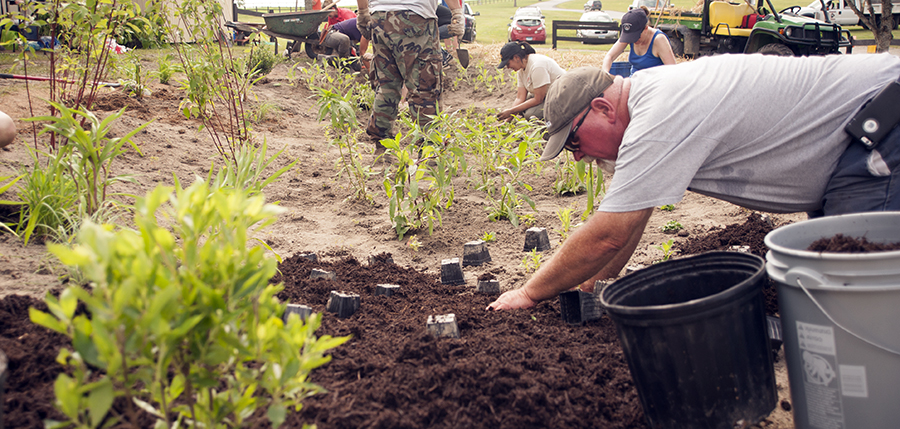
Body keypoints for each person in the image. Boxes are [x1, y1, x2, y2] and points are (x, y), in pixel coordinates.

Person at [488, 53, 900, 311]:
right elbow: (631, 219)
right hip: (854, 135)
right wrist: (592, 285)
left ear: (601, 108)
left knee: (857, 288)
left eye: (574, 139)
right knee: (834, 269)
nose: (577, 154)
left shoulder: (658, 118)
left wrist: (529, 293)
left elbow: (608, 235)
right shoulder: (650, 97)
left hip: (880, 121)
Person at [355, 0, 464, 152]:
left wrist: (362, 11)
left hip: (380, 18)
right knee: (425, 85)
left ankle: (382, 146)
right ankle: (429, 149)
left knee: (386, 85)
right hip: (416, 18)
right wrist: (457, 12)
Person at [496, 41, 565, 121]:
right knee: (522, 106)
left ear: (516, 58)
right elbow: (520, 97)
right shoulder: (521, 70)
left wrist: (511, 111)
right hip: (546, 95)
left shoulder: (537, 66)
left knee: (530, 114)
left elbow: (538, 99)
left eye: (508, 64)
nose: (508, 67)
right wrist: (508, 120)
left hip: (560, 97)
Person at [601, 7, 675, 75]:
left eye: (636, 37)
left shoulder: (659, 40)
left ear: (646, 29)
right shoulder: (629, 36)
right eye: (630, 37)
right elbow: (609, 56)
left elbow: (673, 70)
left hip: (653, 84)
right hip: (634, 82)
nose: (633, 40)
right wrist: (605, 74)